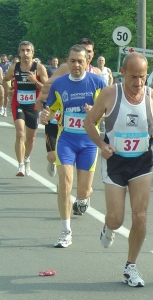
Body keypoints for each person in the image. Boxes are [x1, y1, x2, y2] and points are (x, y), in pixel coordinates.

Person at [84, 52, 153, 287]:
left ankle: (131, 267)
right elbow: (89, 122)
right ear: (123, 73)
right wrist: (101, 145)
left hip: (141, 162)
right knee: (116, 219)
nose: (138, 83)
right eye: (133, 77)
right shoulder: (110, 94)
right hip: (115, 161)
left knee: (140, 216)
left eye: (143, 77)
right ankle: (109, 227)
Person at [39, 44, 106, 248]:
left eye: (80, 61)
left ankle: (84, 198)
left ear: (87, 62)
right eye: (73, 60)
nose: (76, 64)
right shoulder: (59, 84)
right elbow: (52, 110)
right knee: (65, 182)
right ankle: (65, 231)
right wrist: (45, 115)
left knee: (84, 190)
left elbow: (107, 112)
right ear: (66, 62)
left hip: (88, 142)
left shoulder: (98, 82)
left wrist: (94, 112)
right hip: (66, 139)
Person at [2, 41, 48, 176]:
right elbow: (5, 80)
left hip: (33, 106)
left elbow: (47, 88)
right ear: (19, 52)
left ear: (32, 53)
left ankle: (27, 159)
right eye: (22, 50)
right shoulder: (14, 67)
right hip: (18, 104)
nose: (25, 53)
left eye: (28, 50)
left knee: (31, 138)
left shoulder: (39, 68)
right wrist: (8, 89)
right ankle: (20, 165)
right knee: (20, 133)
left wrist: (35, 81)